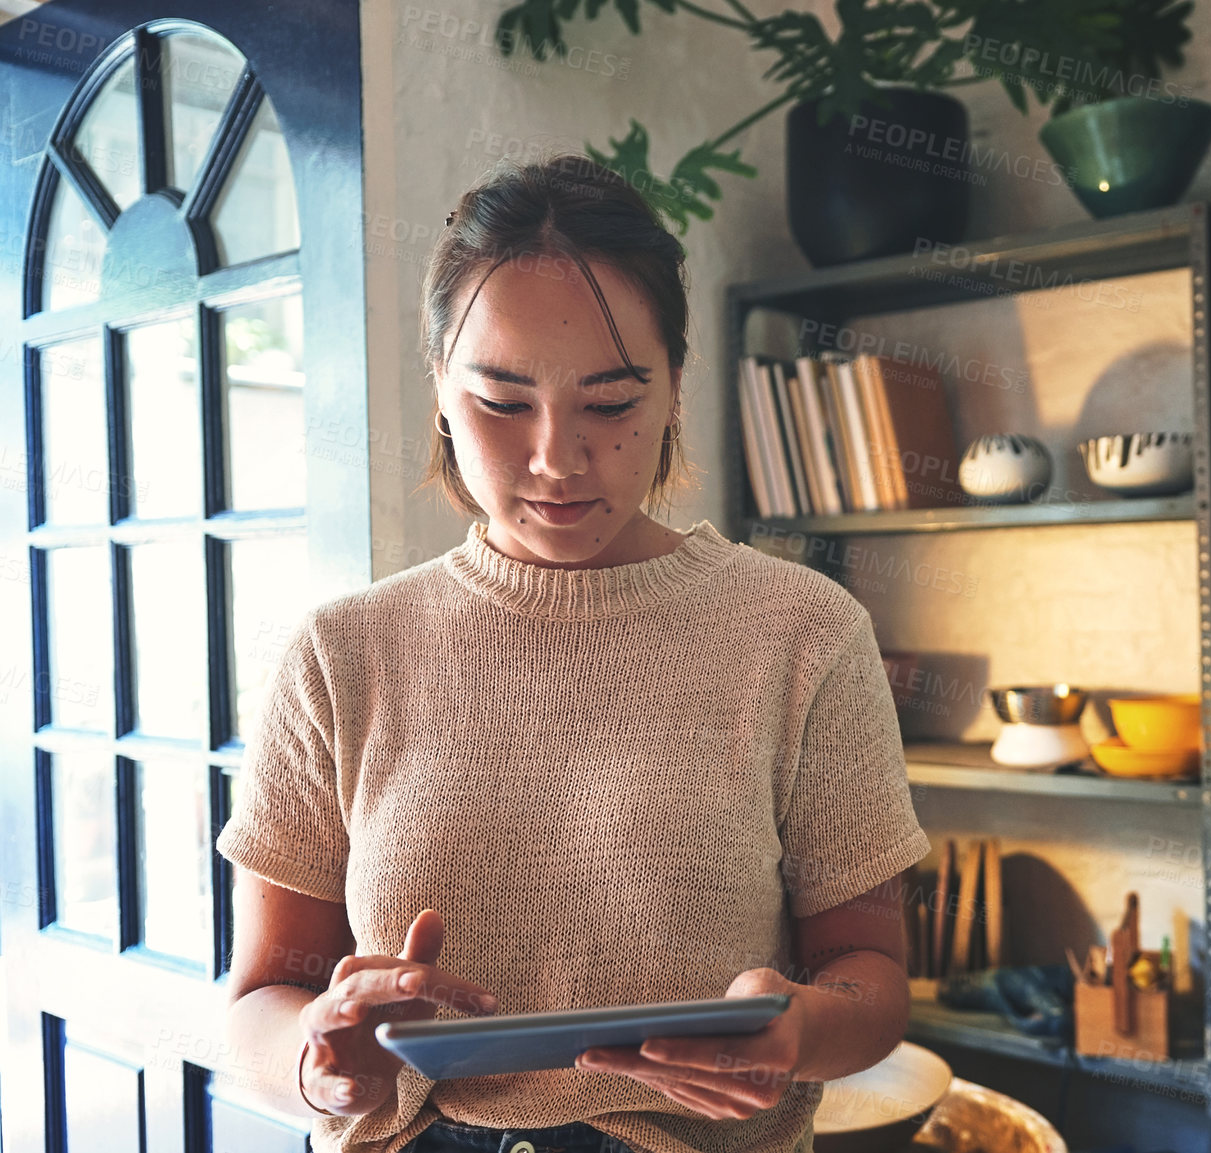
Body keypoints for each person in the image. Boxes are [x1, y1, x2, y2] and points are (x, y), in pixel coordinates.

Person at [217, 155, 931, 1153]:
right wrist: (315, 1056)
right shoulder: (343, 656)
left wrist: (803, 1031)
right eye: (502, 402)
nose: (556, 456)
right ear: (438, 390)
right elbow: (259, 1000)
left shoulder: (801, 632)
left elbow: (869, 970)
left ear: (675, 386)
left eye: (609, 402)